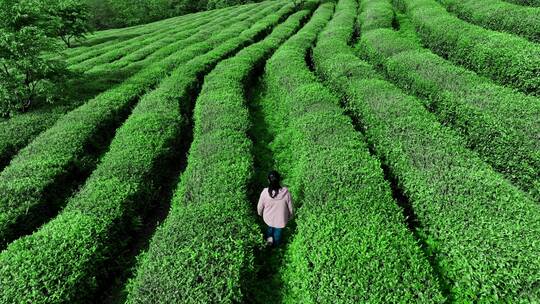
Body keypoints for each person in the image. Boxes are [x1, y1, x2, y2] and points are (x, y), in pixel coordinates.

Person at [257, 171, 294, 247]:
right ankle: (276, 247)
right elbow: (291, 208)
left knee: (269, 231)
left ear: (268, 180)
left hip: (268, 219)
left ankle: (269, 244)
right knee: (278, 233)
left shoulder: (264, 193)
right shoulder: (286, 193)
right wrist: (290, 216)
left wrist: (260, 214)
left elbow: (259, 207)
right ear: (279, 180)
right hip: (281, 220)